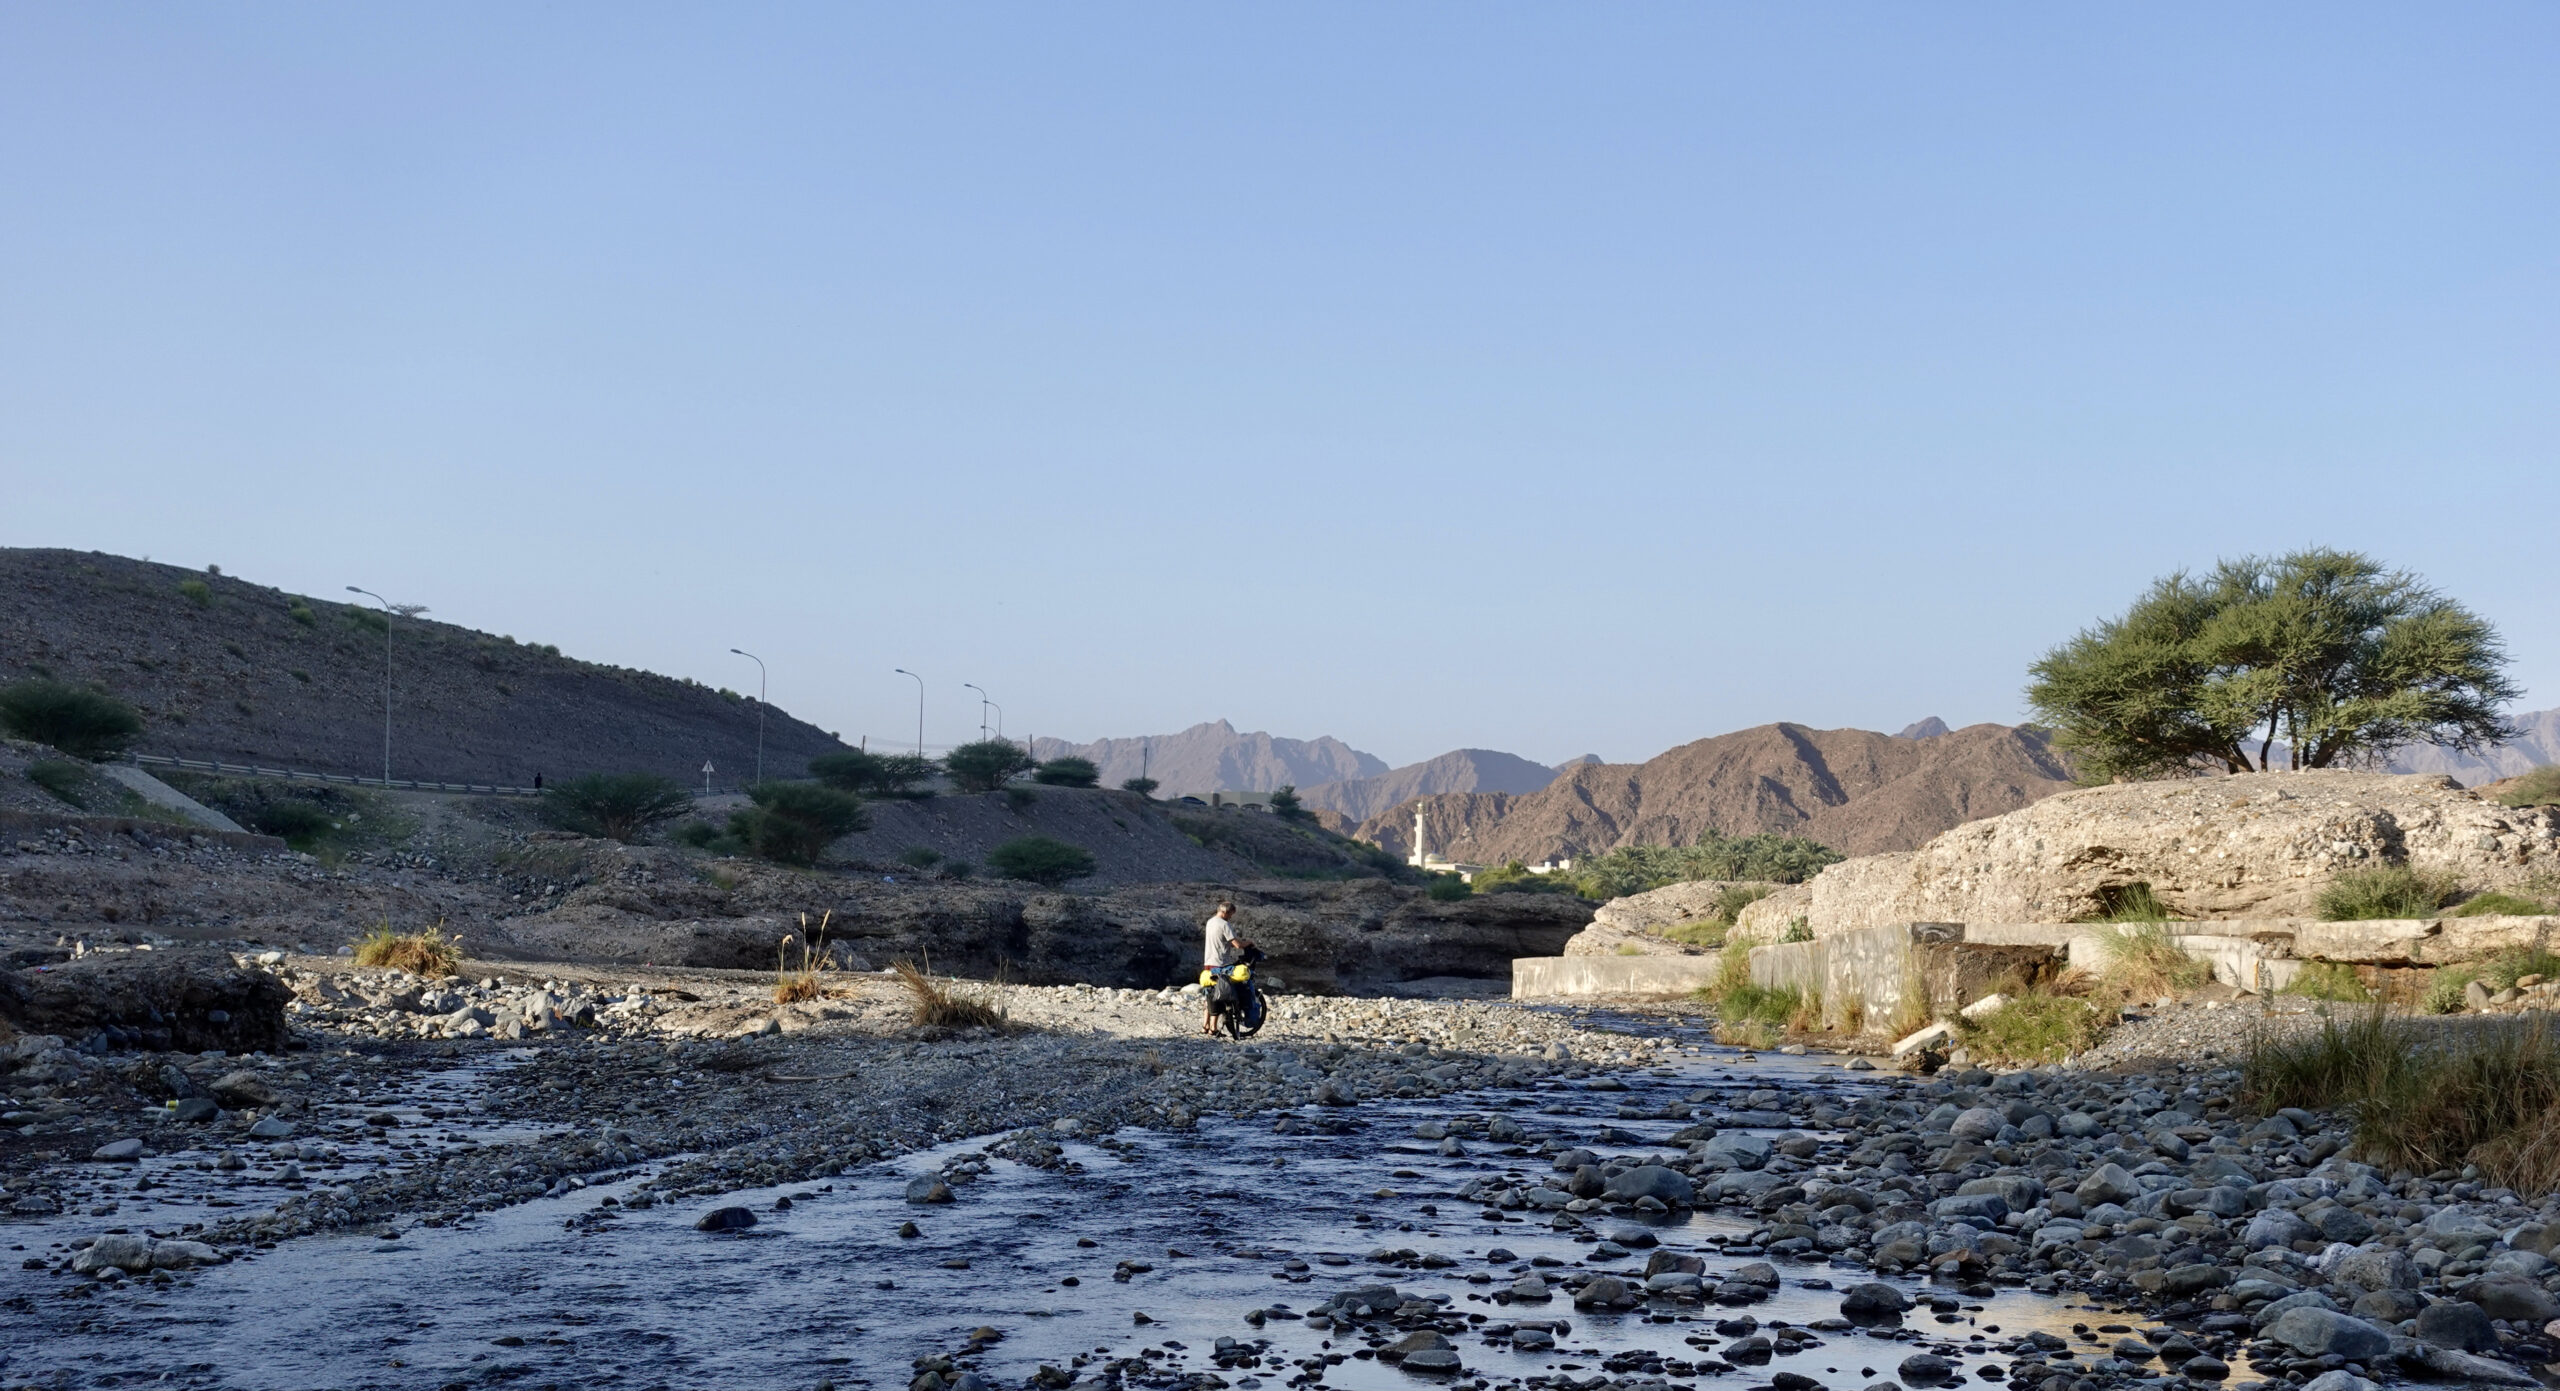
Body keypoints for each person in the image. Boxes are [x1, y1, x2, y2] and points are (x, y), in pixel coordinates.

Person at [1201, 901, 1240, 1035]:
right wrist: (1249, 943)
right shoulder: (1224, 924)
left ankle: (1205, 1025)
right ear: (1225, 912)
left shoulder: (1210, 922)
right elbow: (1237, 944)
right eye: (1230, 914)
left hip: (1208, 962)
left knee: (1209, 993)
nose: (1231, 917)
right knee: (1220, 994)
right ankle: (1214, 1028)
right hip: (1220, 963)